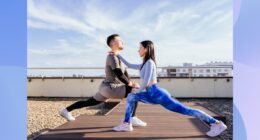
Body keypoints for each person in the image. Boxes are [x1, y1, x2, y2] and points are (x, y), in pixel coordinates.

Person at [112, 40, 227, 137]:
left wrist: (138, 90)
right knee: (131, 97)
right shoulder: (145, 63)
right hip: (152, 94)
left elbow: (146, 81)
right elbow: (129, 65)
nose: (138, 50)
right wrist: (117, 54)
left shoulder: (150, 63)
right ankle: (127, 123)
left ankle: (216, 123)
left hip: (158, 94)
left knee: (186, 110)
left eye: (140, 48)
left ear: (146, 49)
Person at [59, 34, 146, 127]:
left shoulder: (117, 56)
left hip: (105, 88)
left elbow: (125, 75)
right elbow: (118, 72)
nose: (122, 42)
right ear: (113, 42)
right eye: (120, 40)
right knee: (136, 90)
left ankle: (65, 110)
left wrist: (130, 83)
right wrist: (131, 84)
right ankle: (132, 118)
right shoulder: (112, 56)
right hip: (110, 87)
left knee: (89, 102)